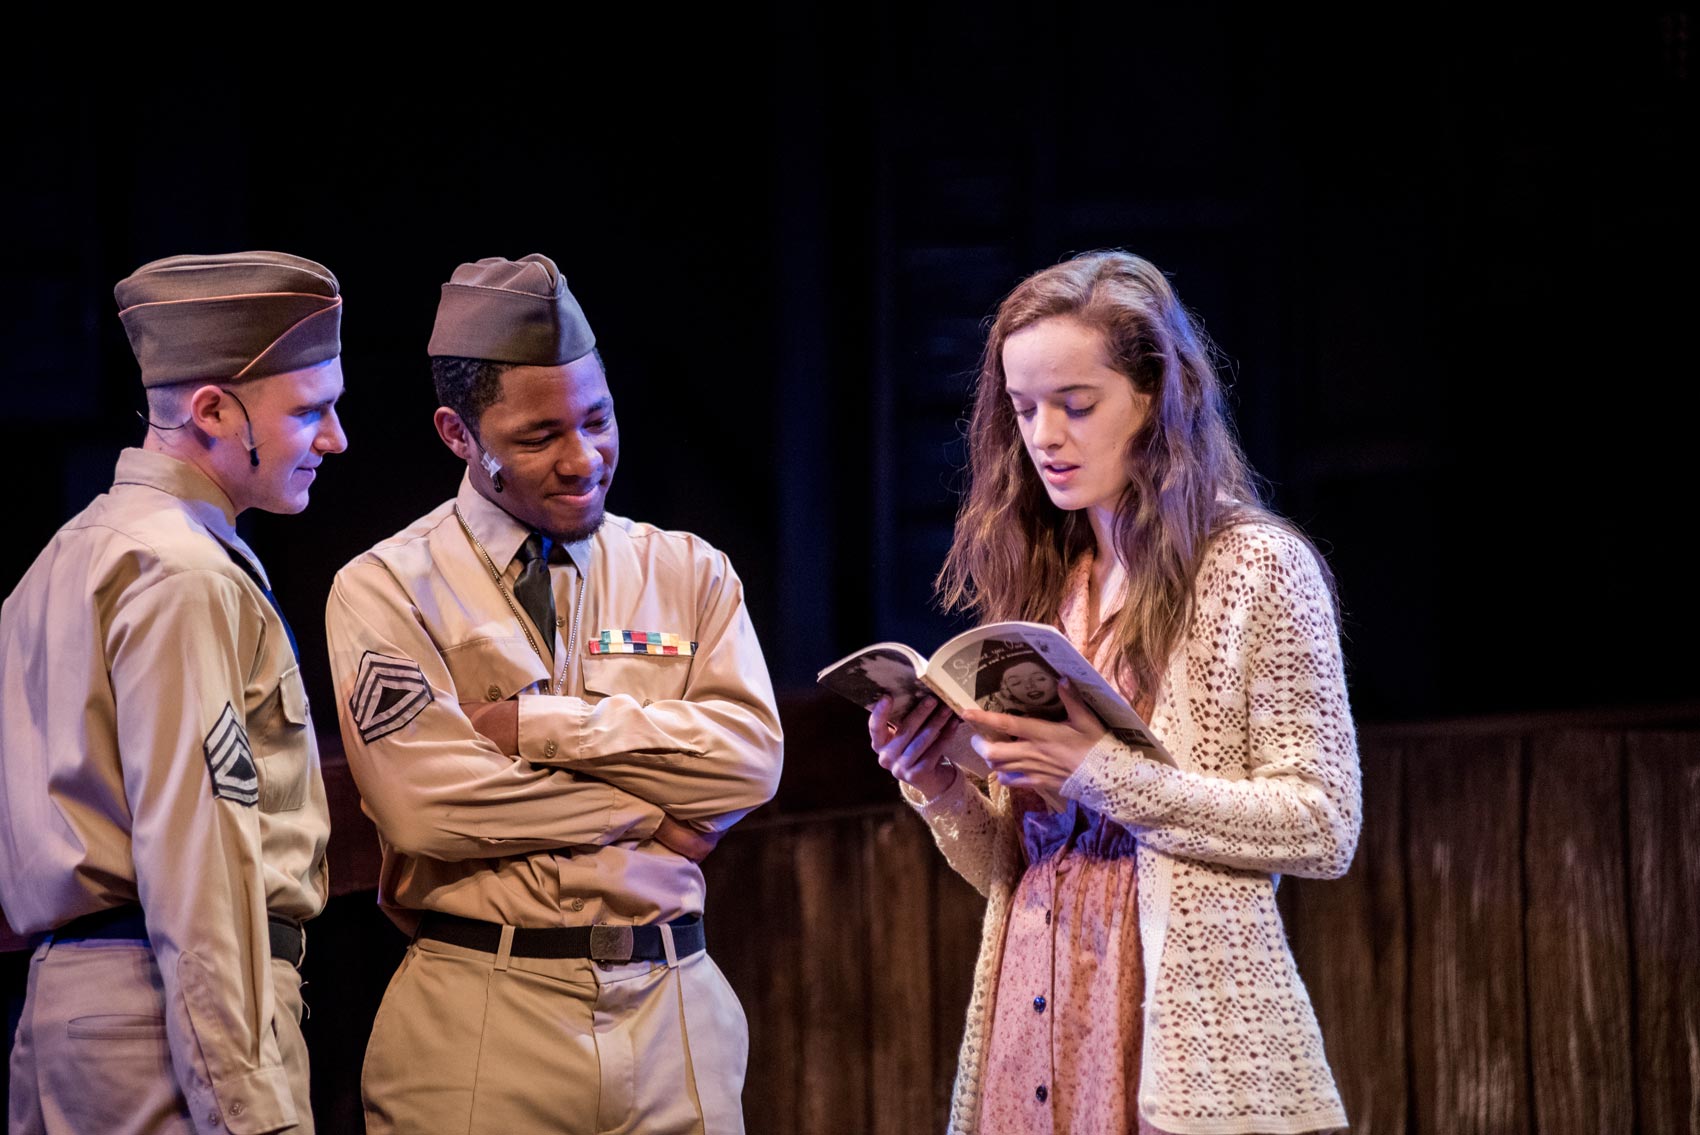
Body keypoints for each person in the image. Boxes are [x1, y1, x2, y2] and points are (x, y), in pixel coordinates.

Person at [868, 251, 1360, 1134]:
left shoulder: (1255, 566)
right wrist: (941, 783)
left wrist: (1098, 770)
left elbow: (1324, 825)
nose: (1045, 435)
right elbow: (1016, 870)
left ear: (1156, 396)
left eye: (1076, 404)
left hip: (1179, 1031)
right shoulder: (1050, 588)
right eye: (1023, 410)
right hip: (1034, 1016)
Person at [325, 253, 783, 1135]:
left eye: (600, 420)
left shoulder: (688, 572)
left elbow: (751, 762)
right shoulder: (388, 587)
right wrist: (649, 812)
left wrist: (538, 724)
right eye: (539, 436)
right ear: (458, 434)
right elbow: (430, 812)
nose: (584, 459)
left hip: (677, 1008)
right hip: (485, 1010)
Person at [0, 252, 347, 1135]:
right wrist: (248, 1108)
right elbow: (201, 862)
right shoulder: (184, 573)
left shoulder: (70, 553)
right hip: (163, 1021)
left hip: (73, 1013)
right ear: (212, 411)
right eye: (310, 410)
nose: (335, 438)